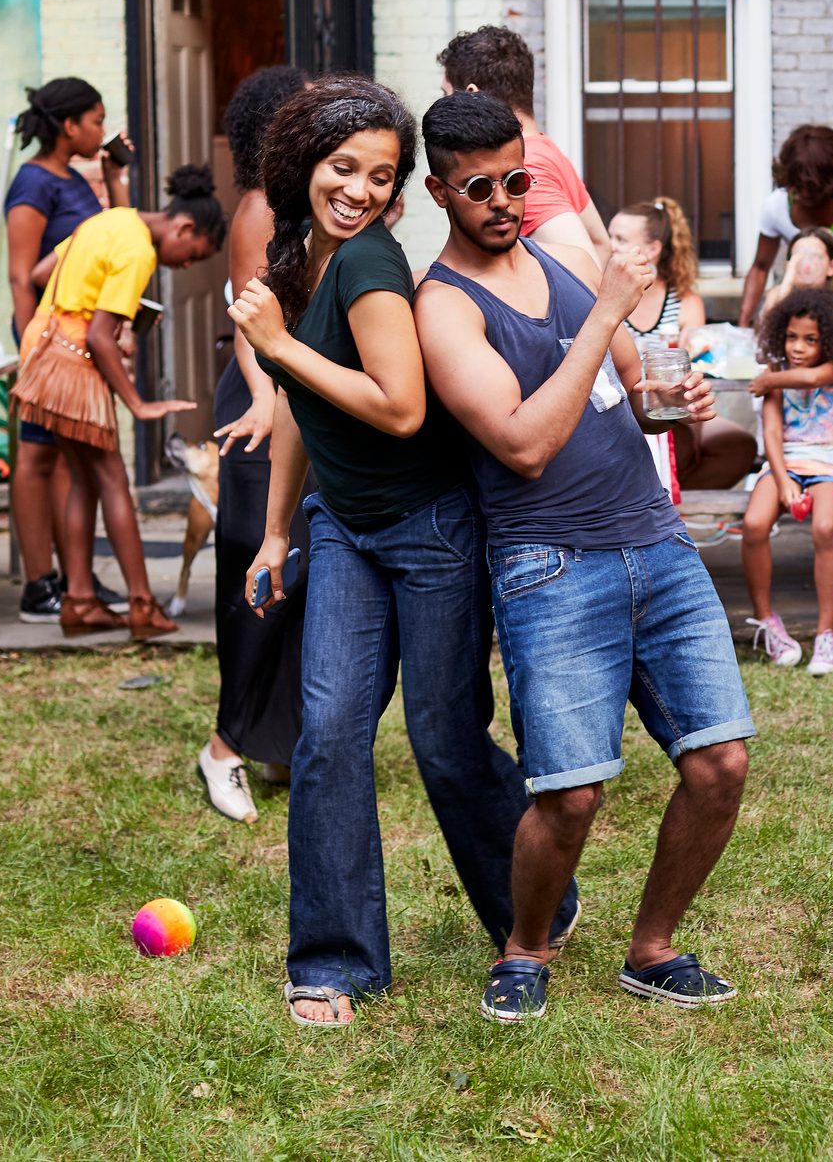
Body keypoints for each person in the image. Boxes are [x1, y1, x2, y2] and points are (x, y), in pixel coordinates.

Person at [228, 76, 580, 1029]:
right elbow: (307, 409)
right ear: (305, 163)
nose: (361, 191)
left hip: (428, 530)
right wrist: (273, 530)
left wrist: (276, 346)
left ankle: (533, 903)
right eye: (345, 168)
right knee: (330, 736)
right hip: (344, 528)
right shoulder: (302, 254)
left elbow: (399, 406)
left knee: (445, 739)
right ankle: (336, 962)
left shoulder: (373, 265)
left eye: (382, 177)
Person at [416, 90, 753, 1025]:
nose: (502, 200)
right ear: (439, 191)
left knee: (719, 763)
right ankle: (524, 950)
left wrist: (666, 403)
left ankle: (653, 949)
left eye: (515, 180)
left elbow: (621, 398)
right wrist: (607, 317)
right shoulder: (444, 309)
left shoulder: (556, 271)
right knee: (570, 796)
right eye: (478, 186)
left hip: (657, 544)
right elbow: (522, 443)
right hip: (551, 563)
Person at [14, 167, 224, 637]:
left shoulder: (110, 220)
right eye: (193, 255)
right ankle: (142, 606)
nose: (186, 266)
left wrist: (90, 314)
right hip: (71, 361)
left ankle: (80, 601)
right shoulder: (137, 250)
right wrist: (139, 404)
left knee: (85, 482)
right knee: (113, 478)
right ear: (184, 228)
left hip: (43, 348)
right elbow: (100, 336)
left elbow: (41, 273)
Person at [198, 64, 309, 823]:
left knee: (298, 577)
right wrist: (269, 402)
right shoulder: (259, 210)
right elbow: (248, 325)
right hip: (260, 407)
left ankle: (278, 740)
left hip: (301, 400)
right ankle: (222, 749)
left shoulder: (304, 204)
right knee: (257, 582)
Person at [4, 78, 133, 624]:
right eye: (96, 120)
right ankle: (39, 586)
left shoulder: (75, 180)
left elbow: (120, 235)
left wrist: (114, 177)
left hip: (76, 341)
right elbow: (19, 276)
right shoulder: (33, 184)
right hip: (46, 341)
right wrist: (30, 349)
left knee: (67, 460)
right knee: (35, 459)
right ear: (68, 126)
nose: (102, 130)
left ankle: (71, 575)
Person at [739, 284, 833, 676]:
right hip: (786, 462)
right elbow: (773, 435)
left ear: (828, 339)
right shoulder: (776, 373)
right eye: (792, 337)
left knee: (826, 527)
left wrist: (768, 381)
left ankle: (826, 635)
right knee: (754, 524)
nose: (798, 347)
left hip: (832, 463)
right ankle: (768, 623)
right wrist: (783, 482)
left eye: (810, 340)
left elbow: (812, 378)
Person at [609, 196, 755, 491]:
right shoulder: (606, 294)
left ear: (653, 249)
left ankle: (668, 503)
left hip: (669, 407)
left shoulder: (685, 301)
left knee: (735, 445)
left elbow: (693, 361)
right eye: (610, 236)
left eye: (621, 239)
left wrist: (692, 347)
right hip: (620, 409)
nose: (611, 246)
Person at [438, 25, 609, 263]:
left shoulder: (522, 173)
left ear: (472, 95)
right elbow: (601, 244)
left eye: (447, 95)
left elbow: (585, 270)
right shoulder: (544, 150)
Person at [739, 125, 833, 330]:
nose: (803, 193)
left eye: (812, 188)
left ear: (832, 181)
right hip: (806, 297)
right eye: (797, 185)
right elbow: (760, 267)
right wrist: (743, 325)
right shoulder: (775, 207)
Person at [757, 226, 833, 314]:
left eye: (815, 257)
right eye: (799, 257)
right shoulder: (777, 295)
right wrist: (787, 283)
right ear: (788, 265)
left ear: (831, 267)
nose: (807, 264)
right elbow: (769, 320)